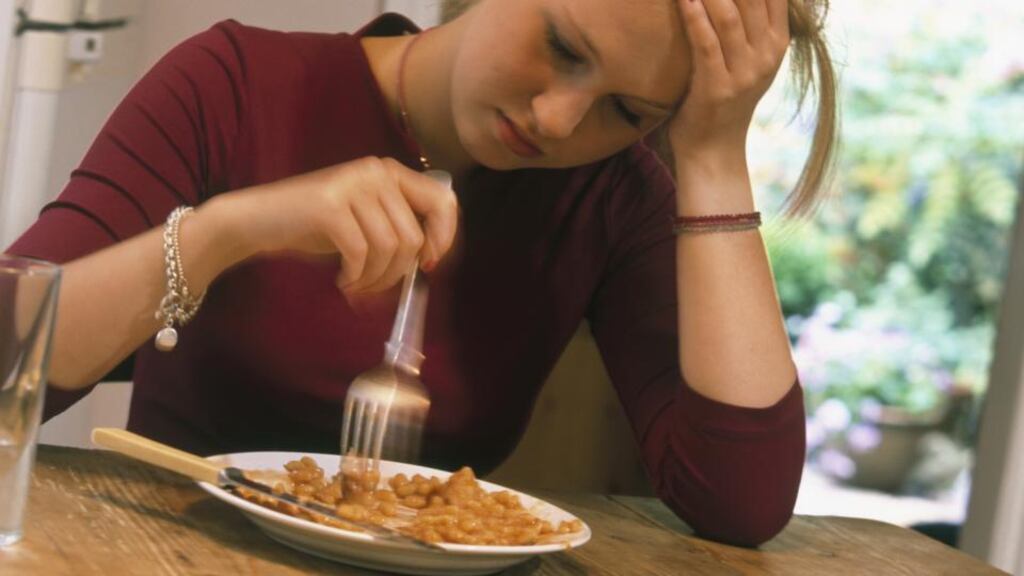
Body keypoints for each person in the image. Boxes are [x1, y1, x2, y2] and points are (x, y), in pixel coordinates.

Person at [7, 0, 837, 546]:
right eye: (560, 47)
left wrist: (713, 152)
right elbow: (9, 364)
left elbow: (741, 499)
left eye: (629, 111)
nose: (558, 119)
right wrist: (231, 229)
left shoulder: (613, 196)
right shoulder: (231, 83)